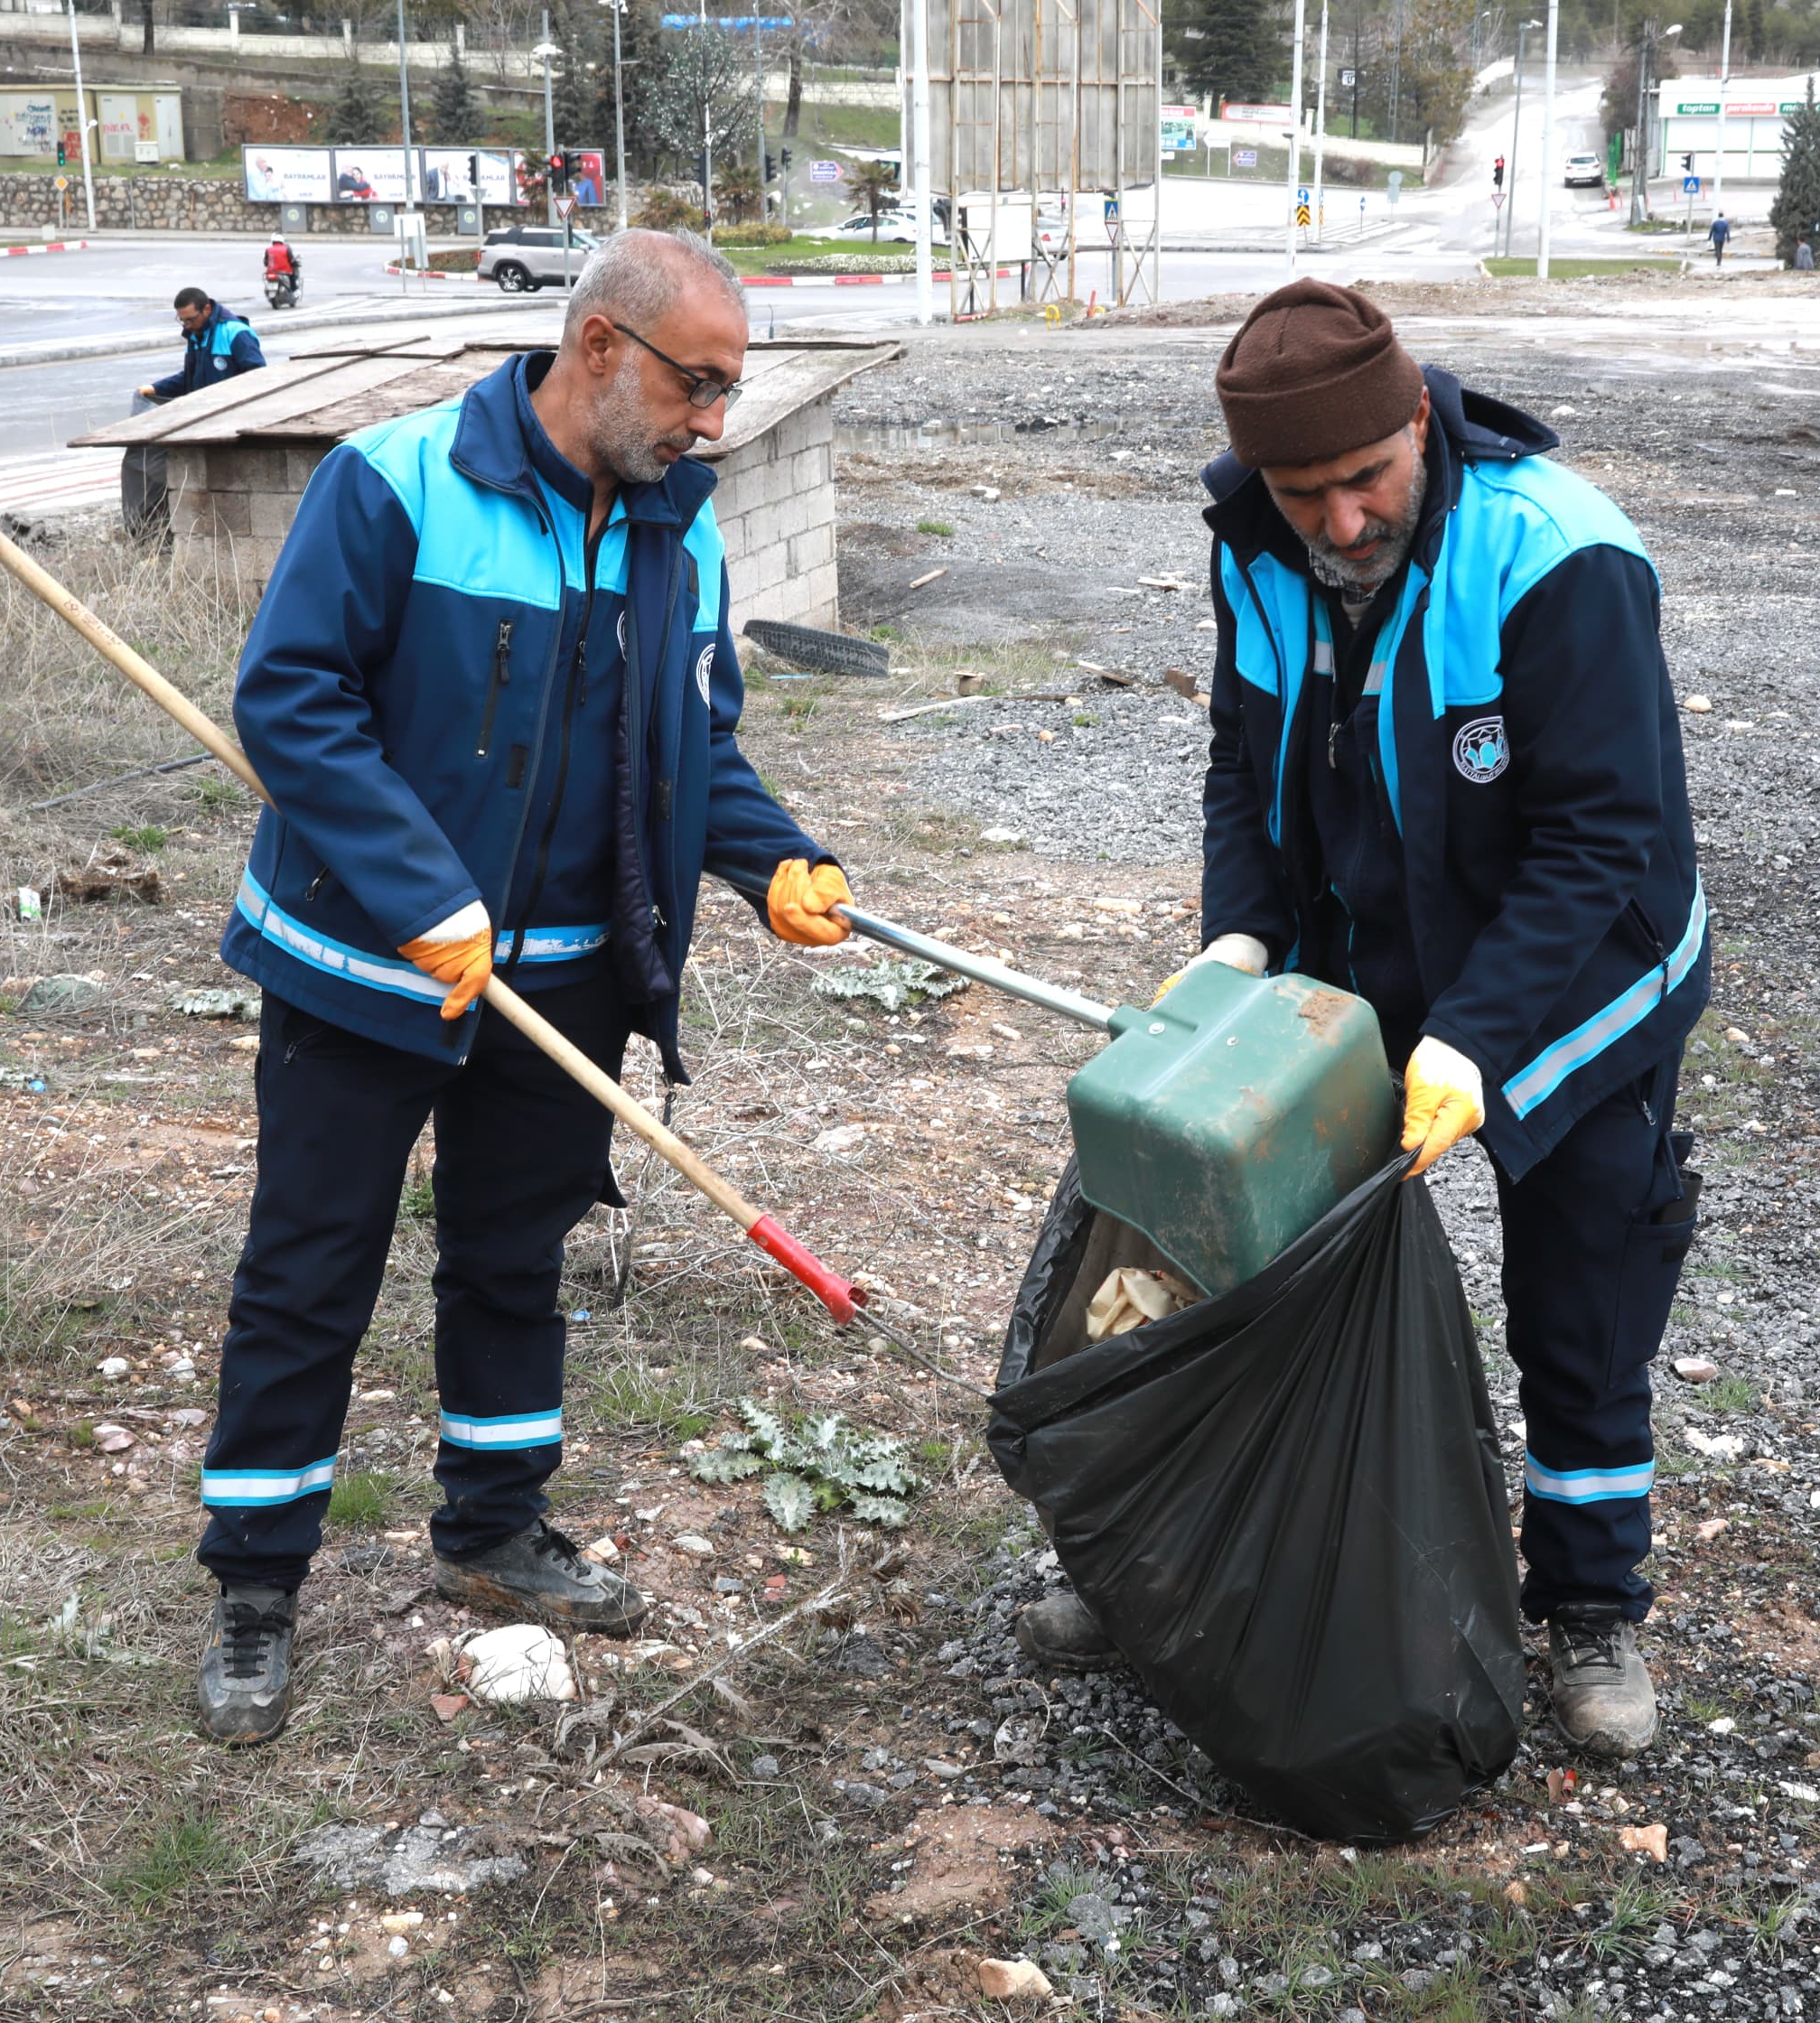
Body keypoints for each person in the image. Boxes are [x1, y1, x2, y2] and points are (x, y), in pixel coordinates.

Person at [1011, 283, 1705, 1762]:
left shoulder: (1555, 552)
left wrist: (1477, 1039)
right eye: (1302, 493)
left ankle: (1588, 1603)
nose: (1337, 525)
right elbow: (1241, 766)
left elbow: (1604, 838)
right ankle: (1175, 1554)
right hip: (1361, 967)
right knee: (1224, 1249)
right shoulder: (1255, 552)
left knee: (1583, 1300)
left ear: (1418, 425)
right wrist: (1236, 940)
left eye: (1364, 483)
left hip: (1586, 980)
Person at [189, 228, 855, 1745]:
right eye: (700, 385)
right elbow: (292, 700)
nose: (713, 423)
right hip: (367, 971)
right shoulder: (399, 483)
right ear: (604, 347)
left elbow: (699, 747)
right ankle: (254, 1586)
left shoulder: (676, 539)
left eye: (729, 394)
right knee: (310, 1275)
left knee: (512, 1260)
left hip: (561, 990)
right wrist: (420, 892)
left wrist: (774, 861)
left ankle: (494, 1522)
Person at [137, 286, 265, 406]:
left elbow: (257, 376)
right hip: (204, 411)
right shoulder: (195, 335)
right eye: (183, 321)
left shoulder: (235, 333)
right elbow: (191, 377)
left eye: (191, 320)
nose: (187, 326)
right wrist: (156, 388)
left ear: (207, 309)